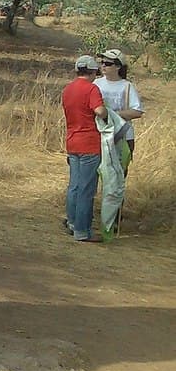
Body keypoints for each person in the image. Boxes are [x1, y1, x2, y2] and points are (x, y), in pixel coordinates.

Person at [61, 55, 108, 244]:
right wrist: (106, 111)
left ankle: (72, 222)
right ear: (92, 72)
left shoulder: (67, 89)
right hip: (89, 143)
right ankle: (82, 231)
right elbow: (99, 111)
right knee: (87, 190)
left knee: (74, 185)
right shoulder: (91, 89)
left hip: (72, 141)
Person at [94, 48, 144, 172]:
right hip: (100, 135)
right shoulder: (96, 83)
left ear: (118, 67)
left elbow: (137, 112)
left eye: (108, 63)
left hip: (123, 136)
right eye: (102, 62)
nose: (103, 66)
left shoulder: (127, 86)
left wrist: (112, 115)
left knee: (119, 174)